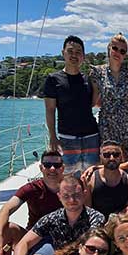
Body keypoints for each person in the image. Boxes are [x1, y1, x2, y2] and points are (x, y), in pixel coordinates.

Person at [44, 35, 100, 173]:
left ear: (83, 56)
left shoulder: (88, 79)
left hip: (91, 136)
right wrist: (52, 136)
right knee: (70, 179)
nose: (74, 55)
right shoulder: (53, 79)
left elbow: (92, 104)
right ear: (63, 52)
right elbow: (50, 110)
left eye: (78, 52)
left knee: (91, 176)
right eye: (70, 51)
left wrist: (96, 86)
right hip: (67, 137)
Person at [90, 33, 128, 154]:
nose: (118, 53)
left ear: (125, 55)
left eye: (122, 51)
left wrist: (127, 115)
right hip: (107, 125)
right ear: (109, 48)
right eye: (115, 48)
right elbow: (94, 100)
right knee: (109, 161)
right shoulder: (98, 72)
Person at [84, 140, 128, 218]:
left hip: (120, 223)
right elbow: (88, 209)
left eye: (116, 155)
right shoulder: (91, 179)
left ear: (121, 157)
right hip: (98, 224)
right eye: (106, 155)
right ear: (100, 157)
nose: (111, 158)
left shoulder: (127, 180)